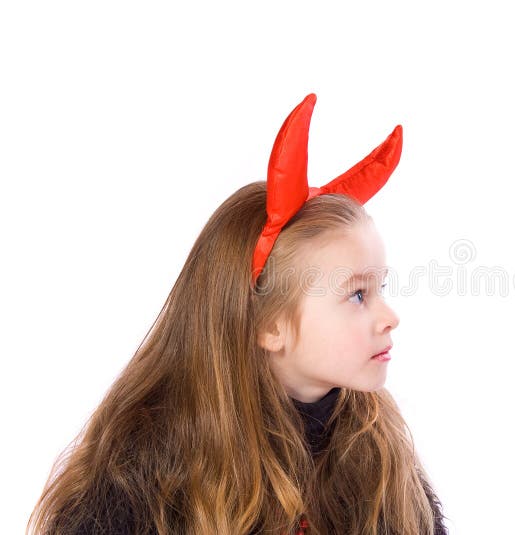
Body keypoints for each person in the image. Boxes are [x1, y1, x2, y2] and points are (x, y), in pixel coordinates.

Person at [28, 94, 448, 535]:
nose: (389, 317)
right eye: (358, 295)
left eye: (380, 287)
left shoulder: (378, 453)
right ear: (270, 325)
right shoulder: (140, 476)